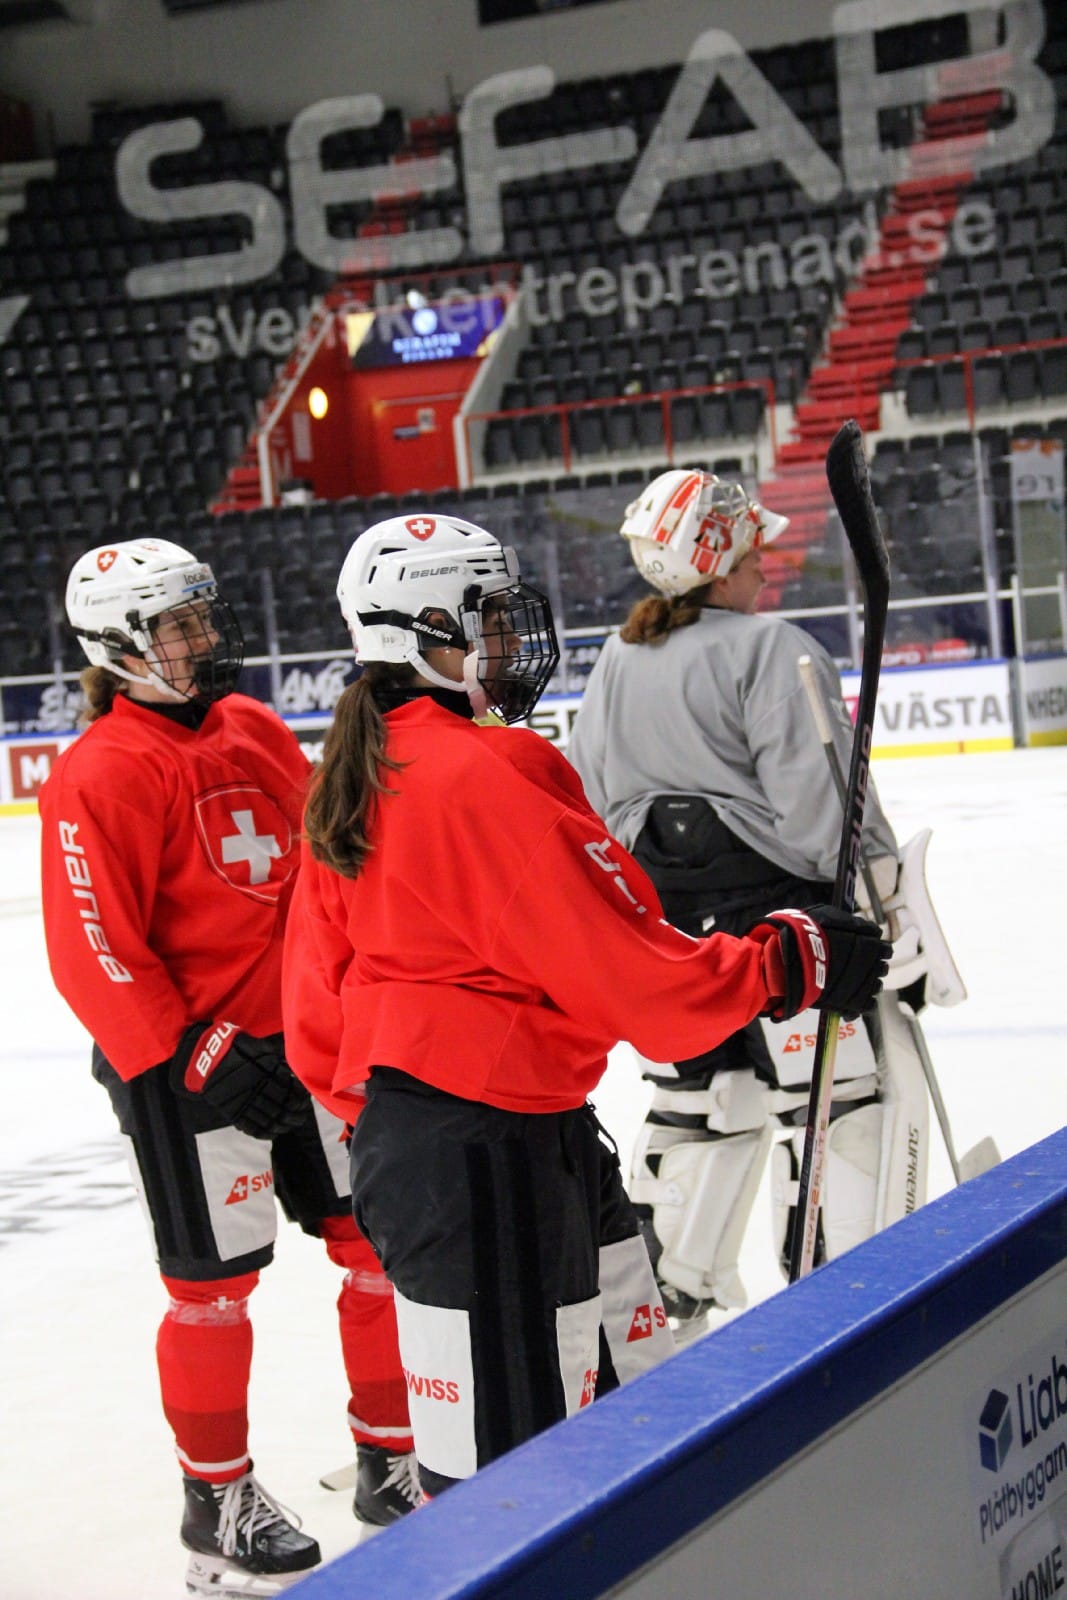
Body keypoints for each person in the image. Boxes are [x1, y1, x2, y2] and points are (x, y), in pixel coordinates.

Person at [279, 511, 890, 1499]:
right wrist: (786, 959)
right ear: (427, 632)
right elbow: (640, 982)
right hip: (496, 1164)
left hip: (438, 1153)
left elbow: (316, 1012)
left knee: (554, 1443)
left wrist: (413, 1123)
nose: (510, 640)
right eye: (487, 619)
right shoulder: (489, 770)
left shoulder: (357, 768)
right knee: (519, 1489)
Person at [38, 538, 418, 1600]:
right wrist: (186, 1052)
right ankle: (216, 1506)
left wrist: (338, 999)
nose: (204, 637)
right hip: (188, 1074)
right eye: (179, 625)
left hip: (307, 1045)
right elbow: (92, 946)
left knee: (375, 1252)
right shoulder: (100, 770)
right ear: (120, 645)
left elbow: (322, 868)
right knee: (210, 1293)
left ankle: (391, 1459)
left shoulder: (249, 724)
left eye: (203, 616)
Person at [566, 469, 965, 1334]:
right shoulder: (773, 649)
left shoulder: (618, 660)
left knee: (704, 1109)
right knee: (848, 1106)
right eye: (752, 551)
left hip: (670, 943)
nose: (763, 565)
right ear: (716, 562)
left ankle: (660, 1322)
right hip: (791, 936)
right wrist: (887, 924)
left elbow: (592, 808)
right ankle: (848, 1310)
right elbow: (828, 815)